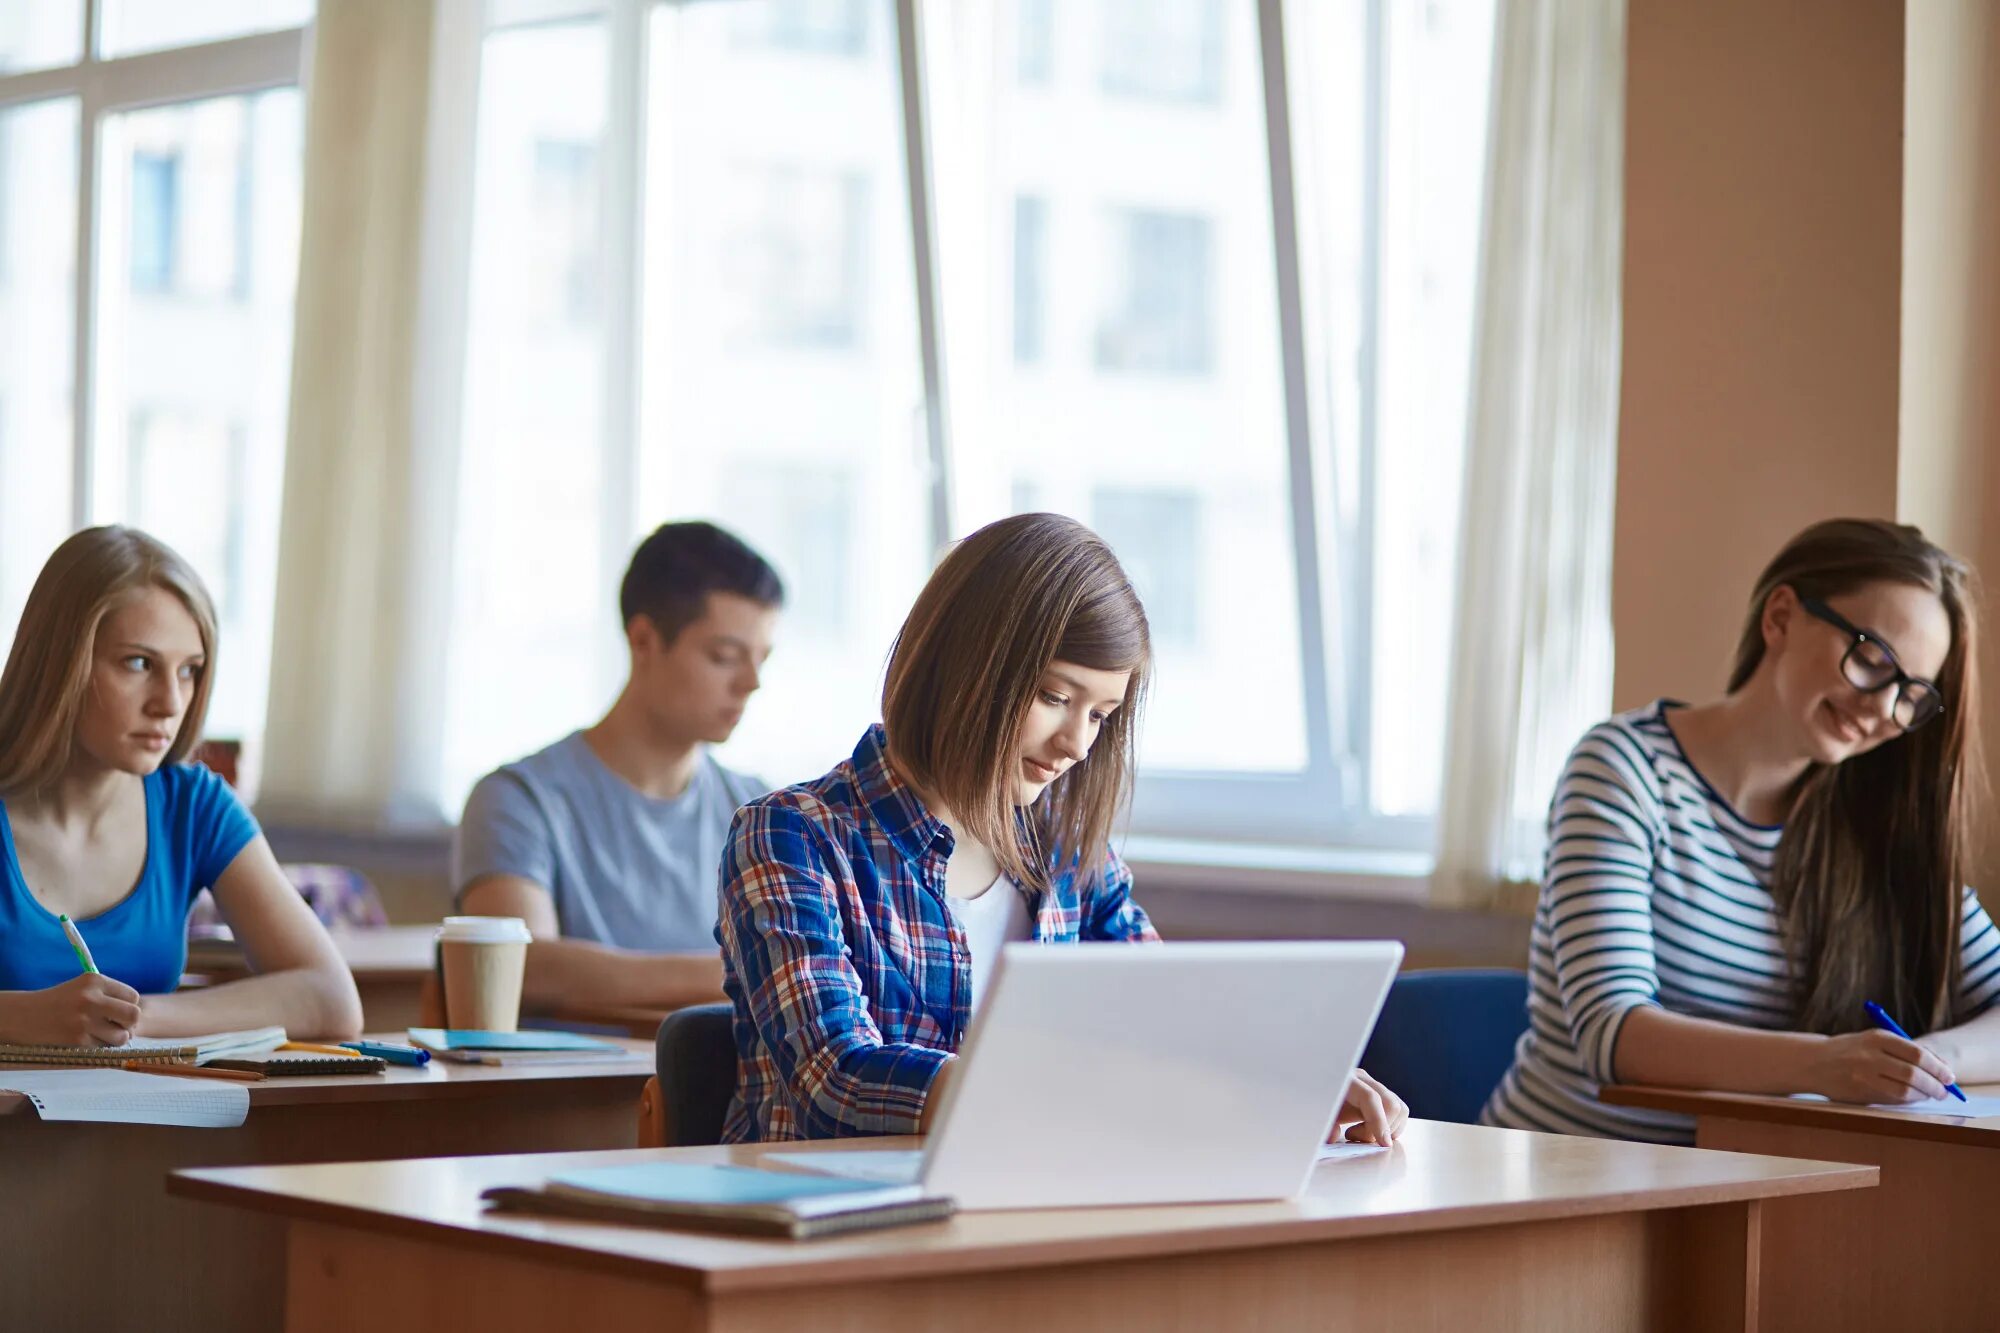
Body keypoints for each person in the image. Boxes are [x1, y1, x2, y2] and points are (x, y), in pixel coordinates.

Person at [717, 512, 1407, 1144]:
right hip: (834, 1240)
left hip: (1029, 1215)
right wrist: (1070, 1085)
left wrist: (1279, 1076)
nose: (1077, 742)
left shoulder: (1070, 850)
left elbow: (1169, 1012)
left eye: (1102, 713)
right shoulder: (791, 836)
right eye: (1055, 696)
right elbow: (835, 1079)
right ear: (965, 665)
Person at [1485, 518, 2000, 1142]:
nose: (1877, 709)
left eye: (1908, 694)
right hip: (1566, 1177)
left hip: (1742, 1189)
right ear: (1780, 617)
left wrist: (1920, 1059)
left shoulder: (1875, 827)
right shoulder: (1624, 769)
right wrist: (1827, 1062)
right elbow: (1614, 1033)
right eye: (1871, 659)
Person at [0, 526, 362, 1045]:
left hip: (142, 1124)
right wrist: (18, 1018)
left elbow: (331, 999)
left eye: (189, 671)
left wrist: (134, 1017)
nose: (170, 703)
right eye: (139, 663)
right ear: (61, 663)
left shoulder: (195, 807)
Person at [455, 521, 782, 1013]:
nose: (751, 682)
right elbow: (524, 968)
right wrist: (751, 970)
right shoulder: (517, 799)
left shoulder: (761, 811)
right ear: (643, 640)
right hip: (578, 1087)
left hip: (726, 1089)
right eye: (724, 656)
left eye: (762, 659)